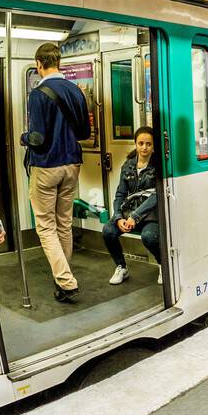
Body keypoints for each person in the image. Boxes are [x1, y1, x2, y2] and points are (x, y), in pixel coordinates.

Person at [21, 42, 90, 303]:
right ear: (58, 62)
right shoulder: (76, 91)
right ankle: (62, 280)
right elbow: (84, 133)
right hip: (72, 164)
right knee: (64, 223)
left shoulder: (38, 94)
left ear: (39, 64)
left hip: (47, 165)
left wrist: (23, 137)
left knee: (46, 226)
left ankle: (66, 281)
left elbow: (37, 138)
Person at [102, 126, 162, 286]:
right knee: (108, 231)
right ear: (135, 144)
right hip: (129, 214)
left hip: (151, 215)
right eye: (141, 143)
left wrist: (135, 216)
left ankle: (163, 264)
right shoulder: (128, 166)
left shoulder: (159, 165)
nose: (144, 147)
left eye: (148, 144)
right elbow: (120, 194)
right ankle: (121, 267)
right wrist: (118, 217)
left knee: (149, 237)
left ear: (153, 145)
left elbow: (157, 195)